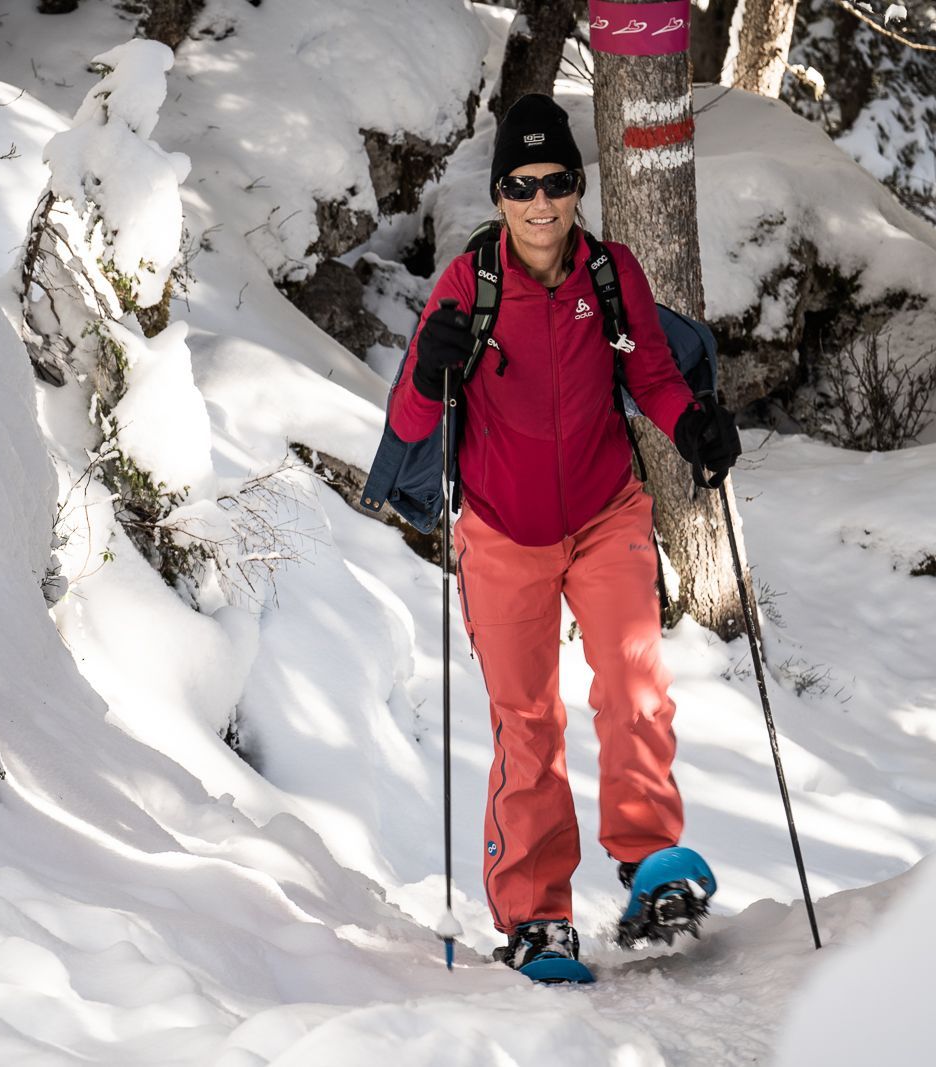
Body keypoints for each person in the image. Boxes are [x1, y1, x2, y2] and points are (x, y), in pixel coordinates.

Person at [387, 94, 741, 973]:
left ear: (576, 187)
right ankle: (537, 916)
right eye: (520, 184)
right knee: (526, 722)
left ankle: (650, 857)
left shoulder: (611, 273)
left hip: (605, 509)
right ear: (500, 194)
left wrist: (692, 425)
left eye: (555, 182)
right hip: (502, 532)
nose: (540, 202)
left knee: (633, 678)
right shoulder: (471, 285)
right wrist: (432, 367)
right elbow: (408, 416)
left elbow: (653, 375)